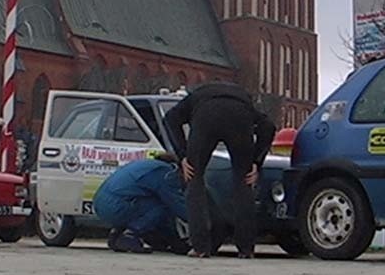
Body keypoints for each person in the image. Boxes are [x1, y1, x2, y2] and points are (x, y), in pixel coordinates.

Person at [163, 81, 276, 258]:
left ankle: (200, 246)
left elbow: (170, 118)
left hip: (205, 115)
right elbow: (268, 127)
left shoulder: (195, 96)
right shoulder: (244, 100)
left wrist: (182, 156)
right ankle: (246, 248)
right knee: (243, 181)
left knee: (194, 177)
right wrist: (256, 162)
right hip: (239, 116)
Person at [92, 153, 190, 254]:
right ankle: (130, 236)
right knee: (163, 206)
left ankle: (116, 235)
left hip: (100, 204)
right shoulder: (166, 173)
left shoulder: (145, 165)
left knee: (145, 204)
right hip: (116, 206)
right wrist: (199, 222)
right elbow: (176, 204)